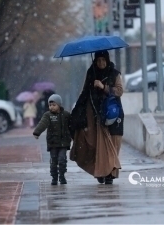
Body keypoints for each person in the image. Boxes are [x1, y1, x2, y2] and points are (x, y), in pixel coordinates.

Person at [69, 50, 124, 185]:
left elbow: (119, 91)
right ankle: (99, 171)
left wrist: (103, 87)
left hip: (112, 113)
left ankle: (110, 173)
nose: (101, 63)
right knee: (94, 144)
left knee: (112, 144)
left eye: (103, 60)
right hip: (95, 115)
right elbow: (84, 93)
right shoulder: (91, 74)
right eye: (98, 60)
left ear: (107, 60)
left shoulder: (114, 74)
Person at [33, 94, 72, 185]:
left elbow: (72, 125)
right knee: (54, 160)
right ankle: (54, 177)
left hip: (63, 143)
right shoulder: (48, 115)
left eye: (54, 105)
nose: (51, 107)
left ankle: (62, 176)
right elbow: (42, 124)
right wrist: (37, 132)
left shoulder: (66, 115)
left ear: (59, 105)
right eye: (50, 105)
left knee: (62, 160)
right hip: (53, 143)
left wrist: (75, 135)